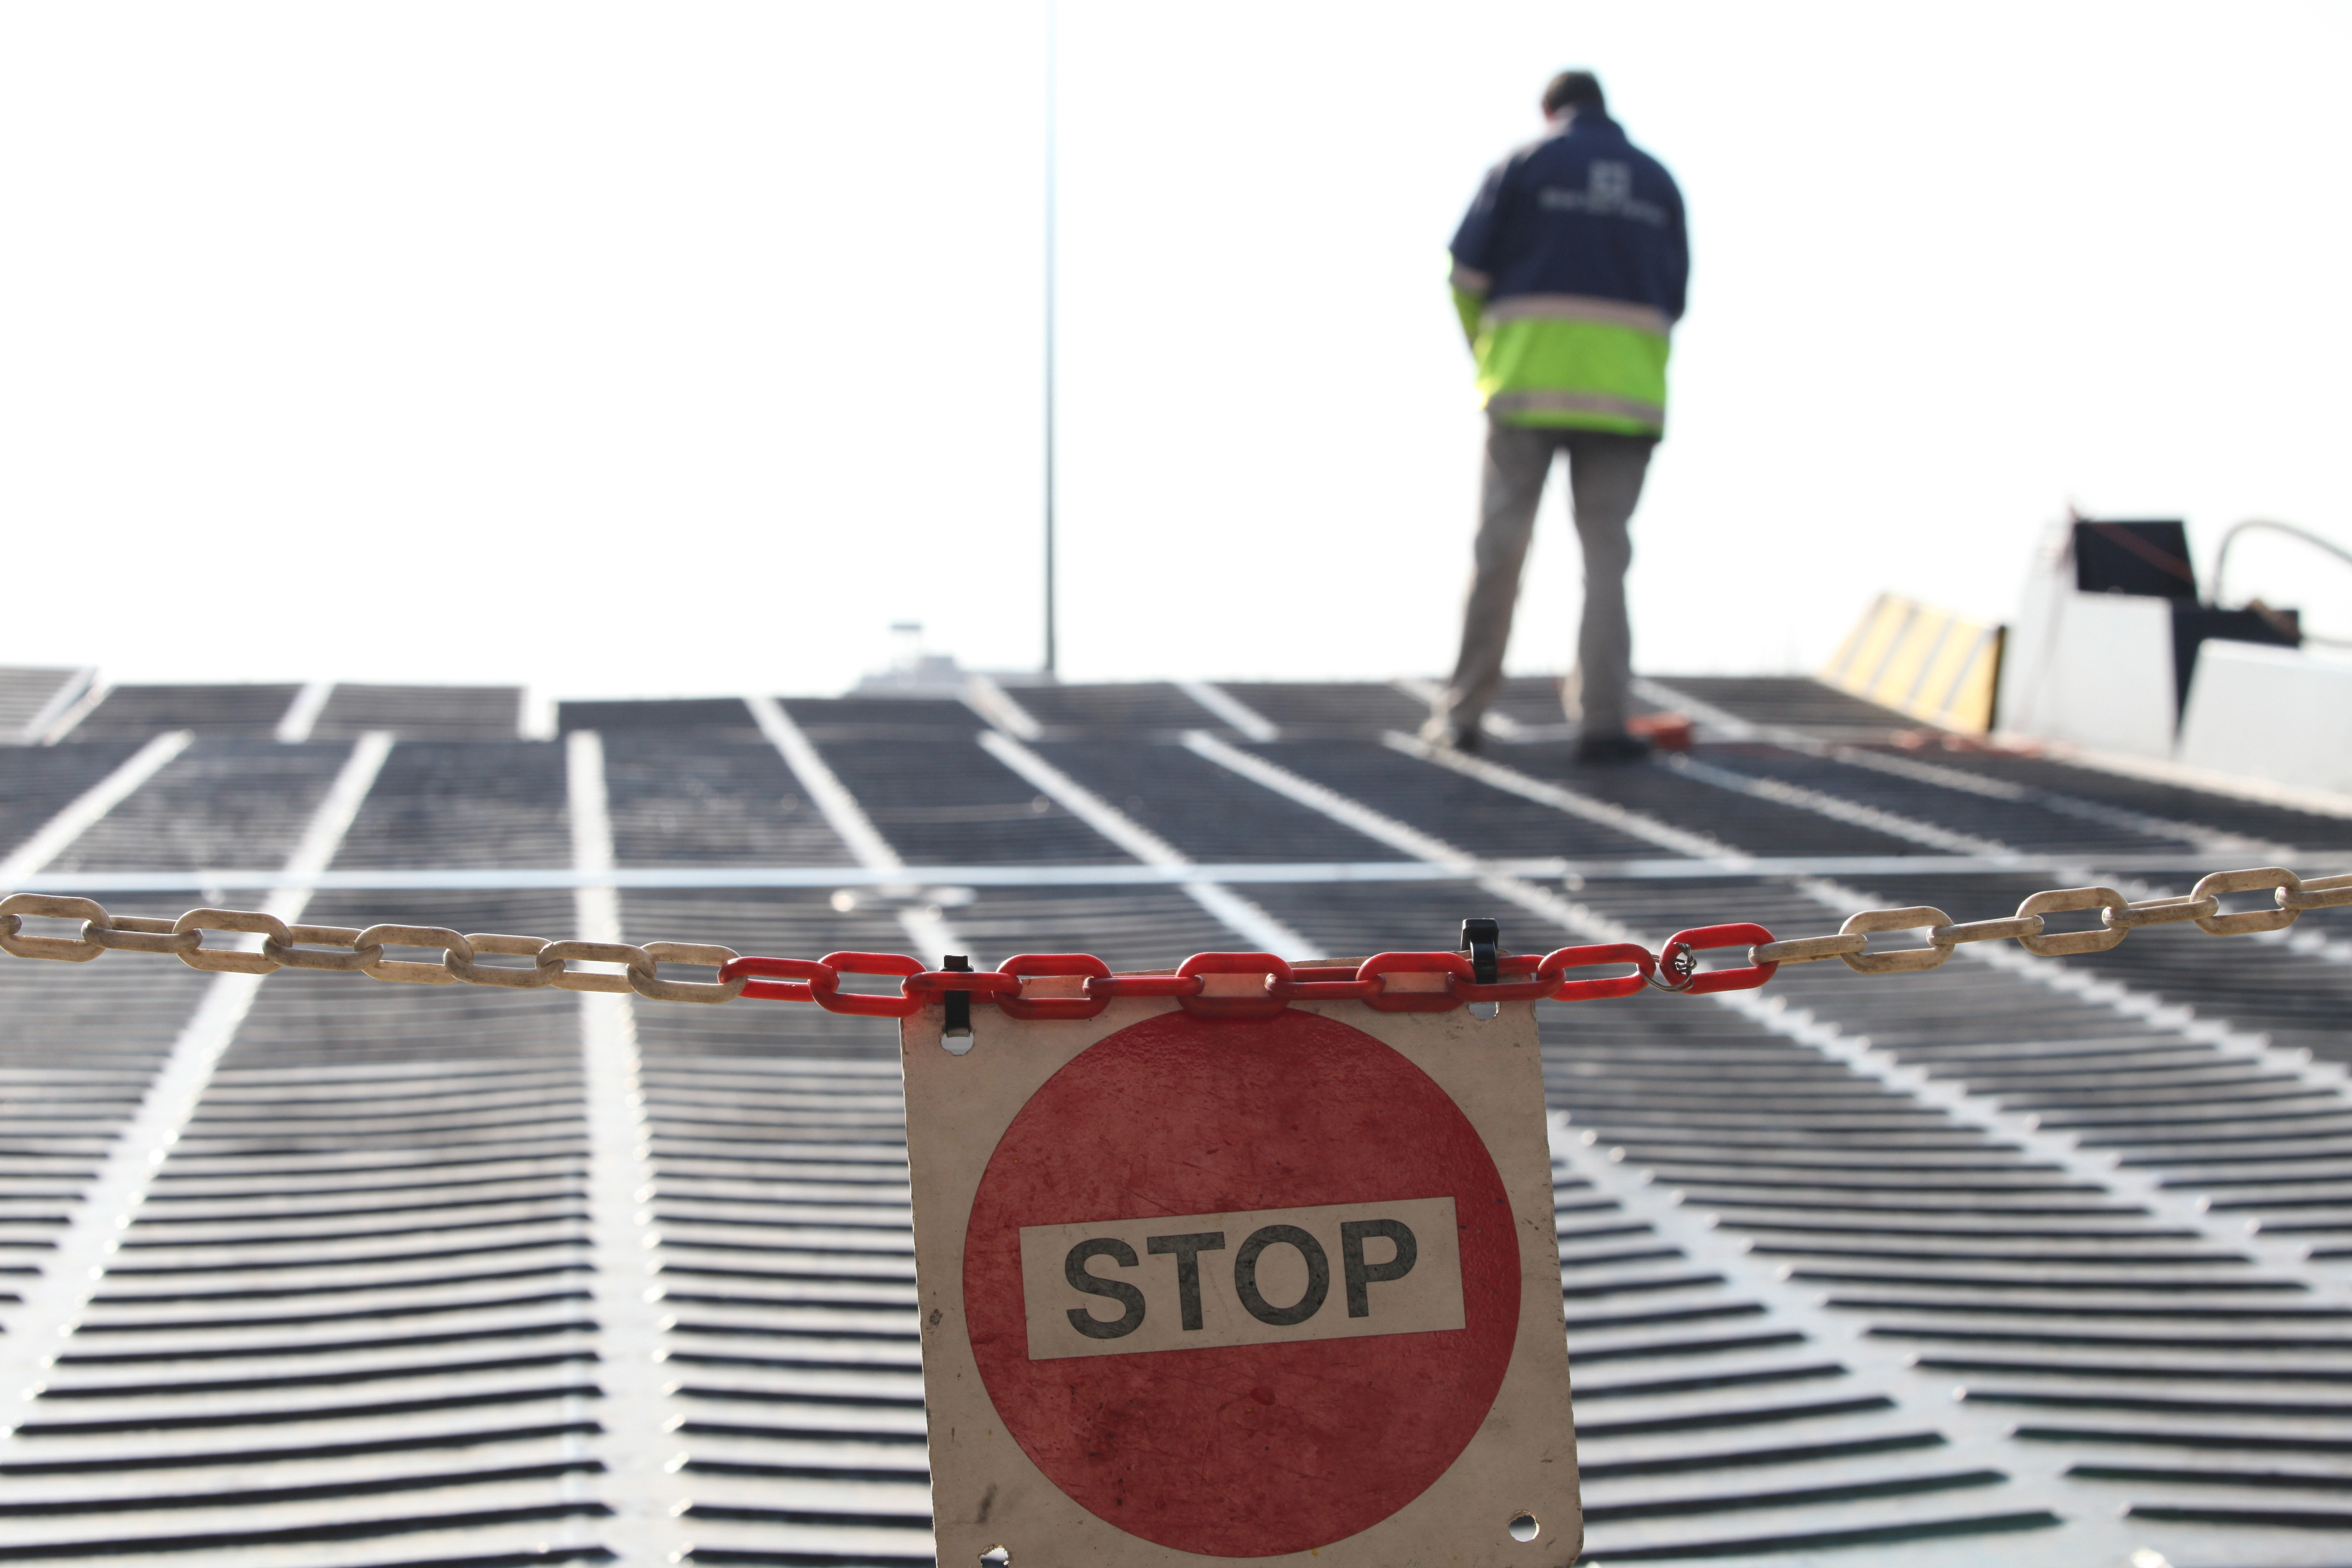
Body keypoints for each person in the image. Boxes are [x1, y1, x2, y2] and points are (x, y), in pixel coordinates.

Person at [1422, 70, 1687, 763]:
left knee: (1501, 550)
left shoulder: (1525, 165)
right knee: (1606, 560)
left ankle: (1464, 714)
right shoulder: (1657, 182)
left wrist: (1491, 350)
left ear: (1550, 110)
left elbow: (1463, 275)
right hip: (1626, 400)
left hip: (1526, 388)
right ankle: (1603, 721)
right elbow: (1675, 296)